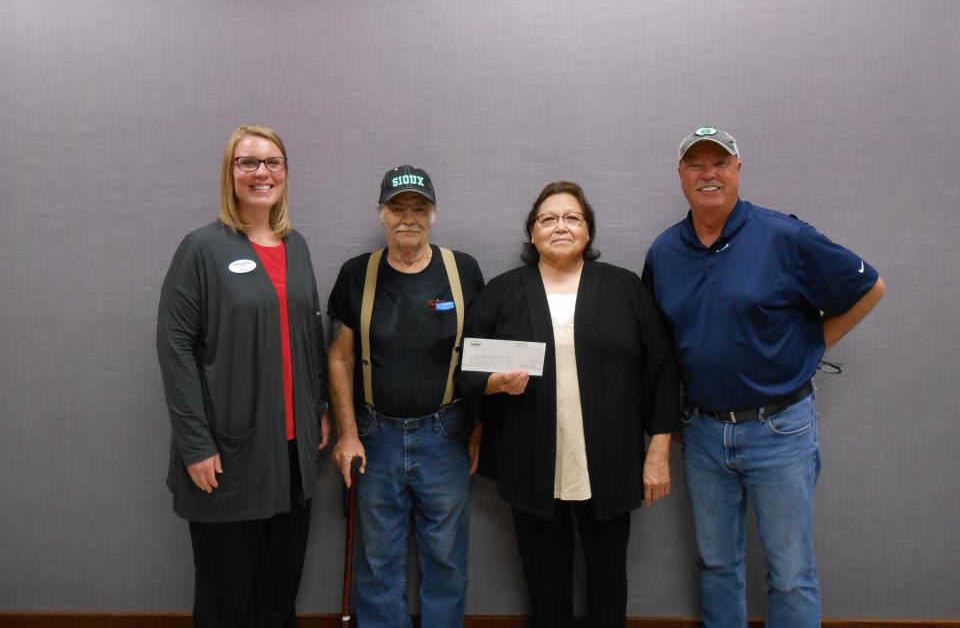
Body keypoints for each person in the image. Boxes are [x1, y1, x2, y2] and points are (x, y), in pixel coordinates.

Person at [643, 126, 886, 628]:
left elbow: (871, 287)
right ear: (681, 175)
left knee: (792, 572)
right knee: (716, 565)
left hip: (780, 431)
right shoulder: (664, 253)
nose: (708, 174)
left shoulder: (785, 237)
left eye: (719, 163)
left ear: (738, 169)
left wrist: (812, 345)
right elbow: (662, 350)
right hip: (704, 434)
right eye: (696, 164)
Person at [461, 180, 681, 628]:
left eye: (572, 217)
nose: (560, 226)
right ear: (532, 232)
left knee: (608, 581)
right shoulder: (502, 293)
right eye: (548, 218)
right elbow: (466, 372)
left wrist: (658, 452)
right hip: (530, 461)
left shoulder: (625, 290)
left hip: (610, 461)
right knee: (544, 584)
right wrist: (495, 384)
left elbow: (661, 370)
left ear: (588, 230)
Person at [157, 125, 330, 627]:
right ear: (229, 173)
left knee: (277, 600)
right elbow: (175, 348)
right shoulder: (201, 249)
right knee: (224, 603)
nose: (261, 173)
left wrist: (318, 407)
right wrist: (195, 444)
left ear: (285, 174)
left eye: (272, 162)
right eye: (248, 162)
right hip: (226, 457)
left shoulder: (296, 246)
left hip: (292, 457)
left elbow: (309, 336)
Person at [327, 165, 485, 628]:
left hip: (446, 434)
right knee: (378, 562)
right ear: (382, 214)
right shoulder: (357, 274)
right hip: (375, 437)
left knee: (446, 559)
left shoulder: (464, 271)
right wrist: (348, 435)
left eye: (419, 208)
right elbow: (338, 358)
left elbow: (479, 357)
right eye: (398, 208)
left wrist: (478, 427)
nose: (408, 218)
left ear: (433, 214)